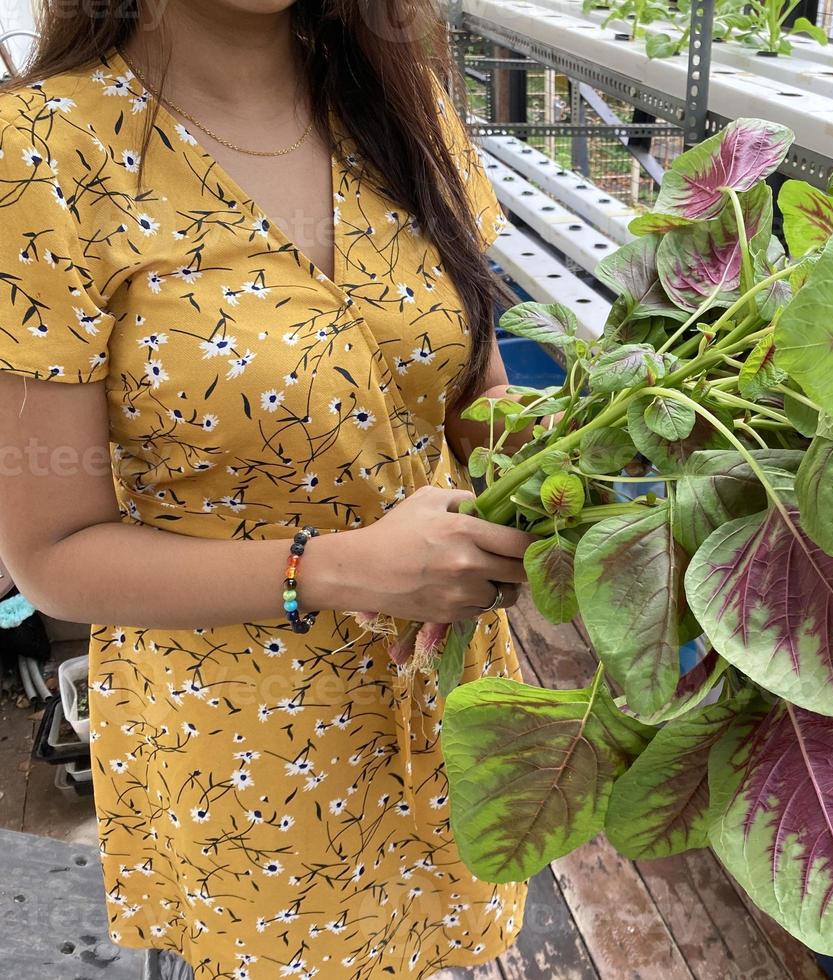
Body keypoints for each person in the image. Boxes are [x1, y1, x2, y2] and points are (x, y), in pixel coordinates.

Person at [0, 2, 540, 977]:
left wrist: (561, 449)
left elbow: (466, 396)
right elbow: (54, 556)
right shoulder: (43, 153)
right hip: (252, 769)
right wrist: (330, 570)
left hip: (449, 701)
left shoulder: (401, 111)